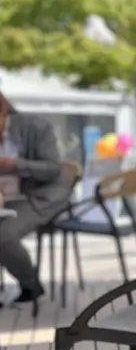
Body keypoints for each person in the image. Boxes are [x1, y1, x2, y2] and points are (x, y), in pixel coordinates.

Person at [0, 90, 72, 306]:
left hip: (43, 196)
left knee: (3, 234)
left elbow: (52, 169)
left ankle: (30, 285)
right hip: (9, 196)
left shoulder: (36, 127)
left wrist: (16, 165)